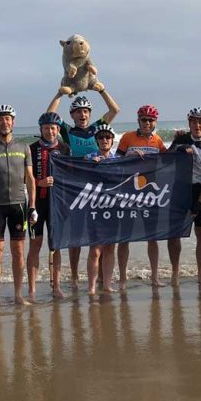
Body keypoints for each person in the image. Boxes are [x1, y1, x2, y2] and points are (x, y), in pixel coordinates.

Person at [45, 86, 120, 289]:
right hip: (74, 185)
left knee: (100, 234)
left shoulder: (98, 128)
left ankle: (103, 278)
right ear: (73, 115)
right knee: (77, 234)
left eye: (85, 111)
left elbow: (115, 110)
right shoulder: (68, 131)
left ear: (89, 114)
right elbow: (50, 115)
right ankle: (76, 275)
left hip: (98, 185)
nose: (82, 114)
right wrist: (59, 94)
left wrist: (102, 90)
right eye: (78, 111)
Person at [0, 104, 37, 310]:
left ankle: (19, 295)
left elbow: (30, 179)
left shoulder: (24, 148)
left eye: (8, 118)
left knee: (19, 251)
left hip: (19, 205)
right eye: (0, 119)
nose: (5, 122)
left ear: (13, 121)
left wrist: (33, 207)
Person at [116, 104, 168, 287]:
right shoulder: (127, 137)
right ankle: (122, 278)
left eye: (150, 120)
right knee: (125, 236)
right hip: (129, 192)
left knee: (152, 237)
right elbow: (114, 161)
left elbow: (170, 160)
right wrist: (129, 155)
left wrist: (181, 143)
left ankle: (154, 277)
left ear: (155, 122)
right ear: (138, 121)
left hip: (150, 194)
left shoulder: (158, 140)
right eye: (144, 120)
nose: (147, 123)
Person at [167, 107, 201, 287]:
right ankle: (175, 273)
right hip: (180, 190)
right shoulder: (181, 139)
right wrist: (177, 146)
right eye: (194, 121)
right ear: (189, 123)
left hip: (200, 191)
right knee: (173, 235)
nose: (197, 125)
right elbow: (165, 159)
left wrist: (200, 202)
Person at [28, 112, 70, 301]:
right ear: (41, 130)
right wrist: (40, 183)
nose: (50, 131)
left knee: (56, 246)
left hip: (58, 204)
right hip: (37, 204)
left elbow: (72, 174)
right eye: (46, 128)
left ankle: (57, 286)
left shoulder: (65, 148)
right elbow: (23, 178)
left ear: (58, 129)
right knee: (35, 244)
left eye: (53, 128)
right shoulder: (31, 149)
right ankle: (32, 289)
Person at [85, 123, 118, 294]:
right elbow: (79, 169)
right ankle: (91, 287)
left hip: (113, 208)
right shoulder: (90, 156)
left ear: (112, 140)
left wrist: (136, 155)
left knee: (110, 248)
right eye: (101, 137)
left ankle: (106, 284)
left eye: (108, 137)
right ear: (96, 140)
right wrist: (91, 163)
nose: (104, 140)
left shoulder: (117, 159)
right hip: (95, 208)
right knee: (96, 249)